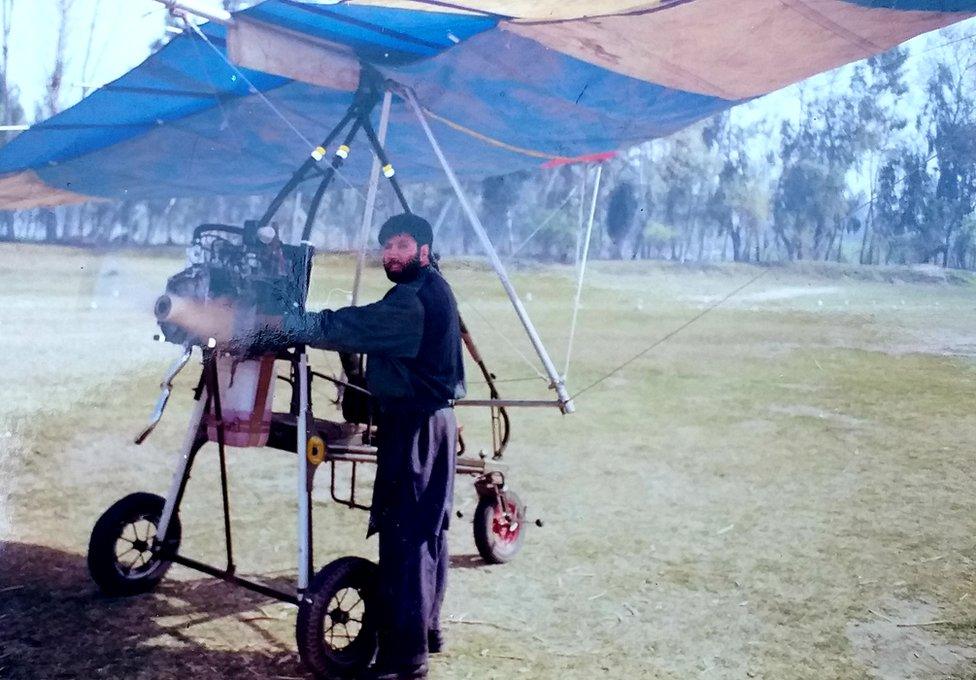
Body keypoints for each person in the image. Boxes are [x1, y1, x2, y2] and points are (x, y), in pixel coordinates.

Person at [245, 213, 464, 680]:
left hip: (415, 426)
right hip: (432, 421)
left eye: (401, 246)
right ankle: (426, 634)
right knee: (426, 533)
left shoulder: (412, 303)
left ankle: (403, 663)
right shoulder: (430, 287)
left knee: (404, 540)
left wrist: (287, 323)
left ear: (424, 250)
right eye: (386, 247)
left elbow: (346, 327)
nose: (391, 255)